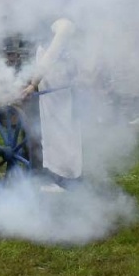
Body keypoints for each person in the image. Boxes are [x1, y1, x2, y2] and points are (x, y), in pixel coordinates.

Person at [23, 19, 82, 190]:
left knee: (62, 136)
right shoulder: (51, 28)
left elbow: (49, 58)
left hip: (59, 93)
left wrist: (32, 85)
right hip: (50, 93)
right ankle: (57, 177)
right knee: (51, 135)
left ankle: (63, 180)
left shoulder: (63, 26)